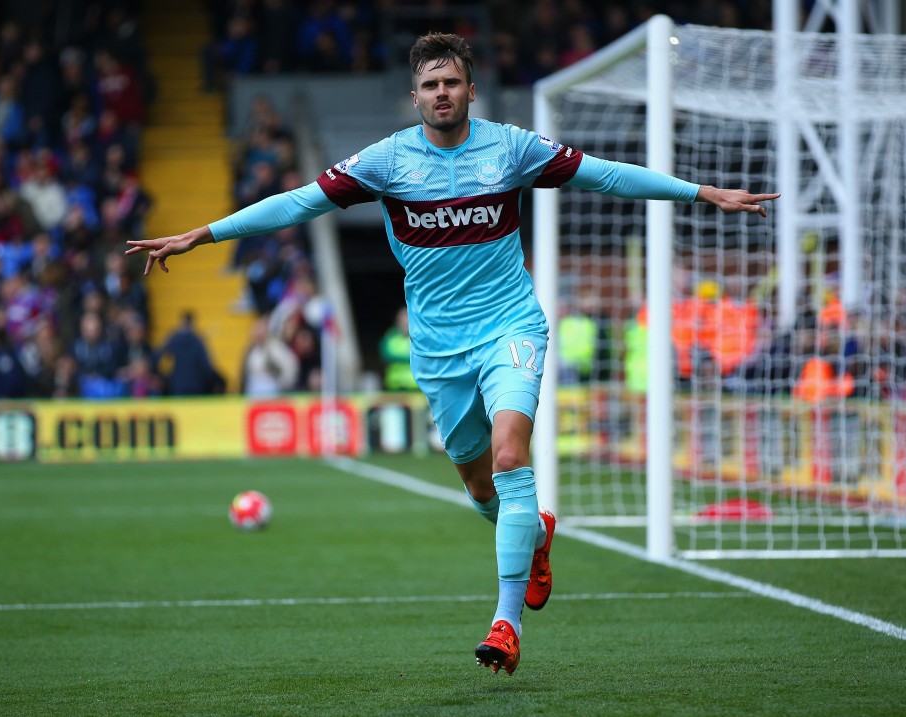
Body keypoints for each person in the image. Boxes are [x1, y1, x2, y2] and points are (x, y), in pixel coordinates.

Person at [126, 32, 778, 675]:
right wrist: (203, 235)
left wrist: (702, 193)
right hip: (438, 351)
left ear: (470, 89)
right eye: (430, 85)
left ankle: (506, 623)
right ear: (415, 96)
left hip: (509, 328)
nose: (442, 93)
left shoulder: (512, 148)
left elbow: (604, 177)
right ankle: (537, 534)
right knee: (479, 487)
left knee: (510, 454)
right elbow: (298, 204)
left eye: (452, 83)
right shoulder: (386, 162)